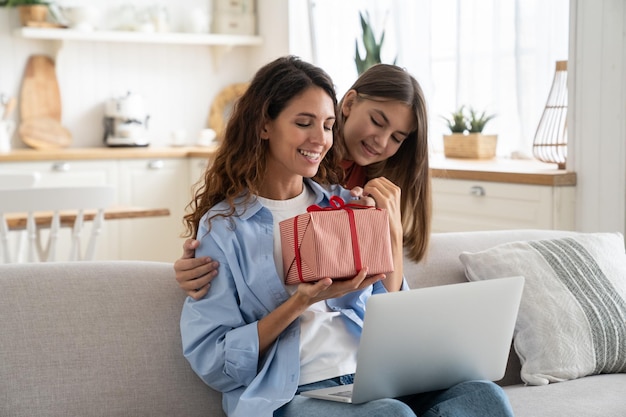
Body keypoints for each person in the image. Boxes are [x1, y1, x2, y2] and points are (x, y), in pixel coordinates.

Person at [180, 55, 514, 417]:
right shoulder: (225, 227)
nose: (320, 138)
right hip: (296, 392)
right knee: (390, 415)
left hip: (372, 380)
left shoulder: (344, 203)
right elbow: (214, 361)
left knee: (484, 396)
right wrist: (301, 301)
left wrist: (388, 232)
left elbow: (391, 311)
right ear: (264, 125)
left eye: (326, 125)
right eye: (303, 123)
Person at [176, 63, 431, 300]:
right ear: (350, 103)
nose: (382, 141)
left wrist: (392, 230)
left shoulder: (372, 190)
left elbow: (385, 297)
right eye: (377, 122)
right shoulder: (297, 164)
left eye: (397, 138)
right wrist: (194, 264)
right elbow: (241, 233)